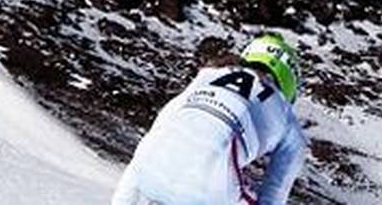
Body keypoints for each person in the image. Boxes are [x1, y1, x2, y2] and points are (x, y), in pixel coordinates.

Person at [110, 33, 307, 205]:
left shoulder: (205, 77)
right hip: (210, 191)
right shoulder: (286, 117)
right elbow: (275, 193)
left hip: (146, 174)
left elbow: (159, 131)